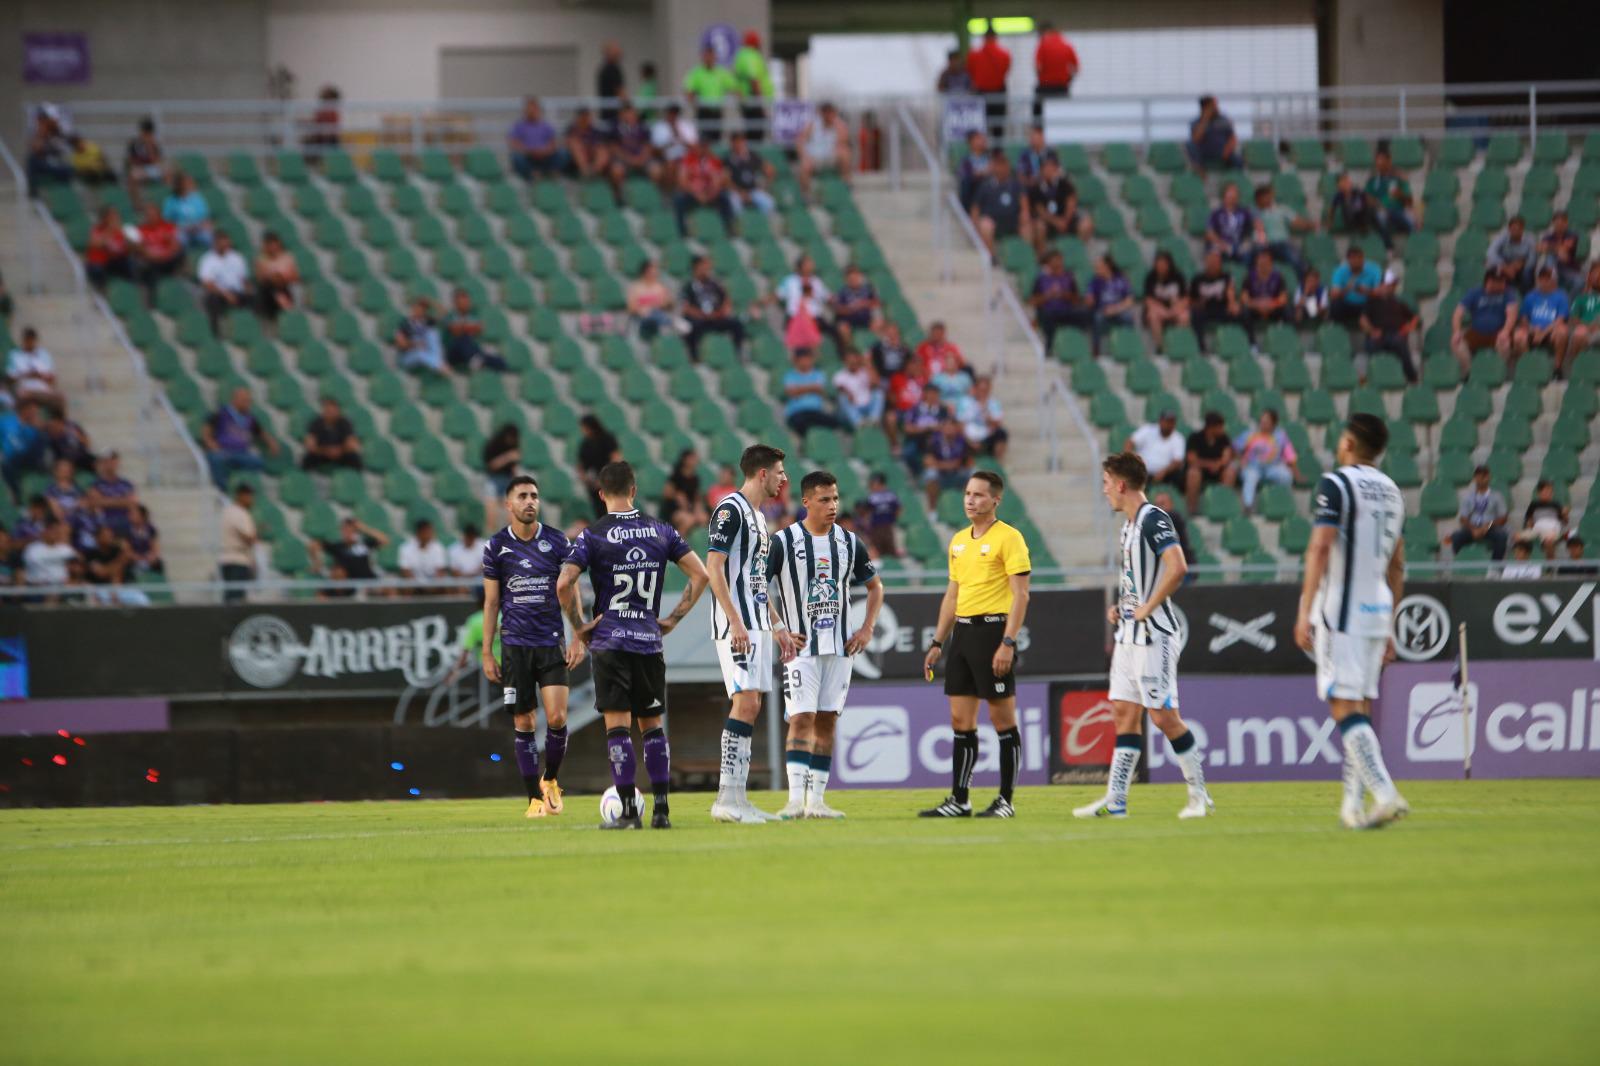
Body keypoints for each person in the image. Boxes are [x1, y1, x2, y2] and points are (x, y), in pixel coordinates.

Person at [559, 461, 710, 829]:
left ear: (600, 494)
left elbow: (564, 584)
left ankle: (628, 812)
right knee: (653, 727)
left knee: (618, 729)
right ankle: (661, 810)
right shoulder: (661, 530)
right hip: (648, 641)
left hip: (610, 641)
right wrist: (672, 619)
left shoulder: (592, 535)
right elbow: (701, 575)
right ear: (634, 490)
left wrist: (579, 628)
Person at [1074, 452, 1210, 820]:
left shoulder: (1153, 518)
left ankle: (1199, 796)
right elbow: (1138, 579)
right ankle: (1116, 800)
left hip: (1155, 635)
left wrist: (1148, 607)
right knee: (1122, 712)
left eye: (1105, 484)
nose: (1104, 491)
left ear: (1120, 484)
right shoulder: (1128, 525)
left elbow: (1178, 566)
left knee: (1164, 717)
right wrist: (1124, 606)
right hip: (1128, 635)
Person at [1293, 413, 1410, 830]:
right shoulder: (1394, 492)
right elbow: (1397, 564)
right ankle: (1351, 804)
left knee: (1343, 706)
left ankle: (1386, 793)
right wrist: (1391, 624)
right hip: (1377, 608)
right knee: (1357, 705)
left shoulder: (1336, 483)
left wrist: (1305, 607)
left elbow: (1320, 547)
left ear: (1347, 442)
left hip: (1342, 607)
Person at [768, 471, 884, 819]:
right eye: (824, 499)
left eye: (835, 498)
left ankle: (816, 802)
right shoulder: (783, 541)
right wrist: (779, 628)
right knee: (801, 719)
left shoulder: (850, 542)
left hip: (840, 648)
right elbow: (757, 586)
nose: (833, 505)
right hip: (800, 649)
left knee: (828, 721)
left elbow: (876, 587)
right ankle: (793, 801)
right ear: (806, 502)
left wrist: (867, 628)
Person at [919, 470, 1032, 818]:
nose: (970, 500)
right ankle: (960, 799)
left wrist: (1008, 642)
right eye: (968, 493)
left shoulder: (1009, 538)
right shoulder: (958, 541)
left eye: (979, 495)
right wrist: (938, 641)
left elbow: (1021, 595)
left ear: (996, 500)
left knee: (1002, 719)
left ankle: (1006, 800)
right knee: (959, 720)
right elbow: (952, 596)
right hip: (963, 636)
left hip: (993, 633)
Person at [481, 476, 574, 818]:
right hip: (515, 646)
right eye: (522, 496)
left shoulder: (557, 541)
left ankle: (550, 779)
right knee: (523, 721)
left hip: (550, 642)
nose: (530, 501)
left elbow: (571, 589)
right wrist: (487, 651)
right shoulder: (495, 547)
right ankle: (533, 799)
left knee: (557, 716)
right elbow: (492, 603)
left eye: (534, 495)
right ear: (509, 505)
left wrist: (578, 634)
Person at [705, 444, 788, 823]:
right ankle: (727, 798)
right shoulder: (730, 509)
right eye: (780, 472)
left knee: (751, 705)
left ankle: (737, 798)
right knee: (745, 702)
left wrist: (776, 623)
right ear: (762, 474)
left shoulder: (758, 516)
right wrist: (735, 621)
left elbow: (755, 580)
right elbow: (714, 568)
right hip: (737, 625)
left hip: (756, 622)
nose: (784, 479)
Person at [202, 387, 277, 491]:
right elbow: (206, 430)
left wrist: (271, 442)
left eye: (249, 401)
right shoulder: (221, 413)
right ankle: (223, 489)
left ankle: (242, 485)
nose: (248, 403)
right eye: (245, 401)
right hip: (224, 451)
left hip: (242, 453)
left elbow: (260, 432)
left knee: (257, 462)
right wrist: (211, 443)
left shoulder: (250, 418)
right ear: (235, 400)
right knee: (216, 459)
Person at [1450, 269, 1518, 376]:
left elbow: (1512, 314)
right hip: (1476, 332)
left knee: (1505, 343)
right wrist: (1456, 331)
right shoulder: (1474, 293)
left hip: (1497, 333)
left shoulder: (1508, 294)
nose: (1503, 284)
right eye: (1500, 282)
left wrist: (1505, 331)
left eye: (1503, 281)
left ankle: (1498, 372)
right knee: (1457, 344)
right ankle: (1469, 374)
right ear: (1489, 282)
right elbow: (1458, 313)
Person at [679, 254, 745, 362]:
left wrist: (721, 312)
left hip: (715, 317)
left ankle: (738, 354)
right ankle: (694, 358)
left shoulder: (714, 284)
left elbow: (726, 300)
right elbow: (686, 307)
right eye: (704, 266)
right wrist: (702, 315)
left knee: (736, 324)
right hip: (699, 318)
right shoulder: (688, 286)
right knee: (691, 327)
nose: (707, 269)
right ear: (696, 267)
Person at [1233, 408, 1299, 511]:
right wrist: (1241, 460)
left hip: (1272, 466)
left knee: (1286, 476)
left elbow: (1290, 456)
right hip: (1252, 466)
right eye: (1262, 421)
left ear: (1274, 423)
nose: (1263, 424)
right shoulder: (1250, 434)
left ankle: (1282, 503)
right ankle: (1248, 505)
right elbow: (1235, 448)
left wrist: (1296, 473)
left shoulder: (1280, 436)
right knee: (1251, 477)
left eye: (1266, 422)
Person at [970, 150, 1029, 262]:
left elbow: (1024, 203)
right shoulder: (985, 185)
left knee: (1028, 227)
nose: (1001, 168)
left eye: (1004, 164)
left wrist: (1025, 214)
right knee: (985, 225)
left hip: (1013, 221)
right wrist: (975, 224)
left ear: (1008, 166)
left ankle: (1024, 258)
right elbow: (975, 208)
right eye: (998, 165)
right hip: (993, 221)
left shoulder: (1016, 184)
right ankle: (993, 258)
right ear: (994, 167)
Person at [308, 516, 387, 594]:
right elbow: (313, 545)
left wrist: (364, 528)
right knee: (338, 573)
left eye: (351, 530)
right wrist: (317, 563)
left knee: (389, 586)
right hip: (348, 585)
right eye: (345, 530)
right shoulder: (338, 547)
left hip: (369, 581)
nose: (347, 533)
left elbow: (384, 540)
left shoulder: (365, 544)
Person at [1028, 151, 1089, 252]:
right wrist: (1056, 222)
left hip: (1065, 218)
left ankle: (1077, 252)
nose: (1049, 169)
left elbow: (1071, 203)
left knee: (1086, 223)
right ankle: (1042, 256)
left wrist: (1065, 220)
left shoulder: (1064, 183)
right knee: (1039, 226)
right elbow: (1040, 210)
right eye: (1045, 166)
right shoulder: (1036, 187)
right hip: (1048, 221)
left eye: (1051, 166)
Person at [673, 140, 736, 238]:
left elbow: (718, 181)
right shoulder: (688, 160)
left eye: (704, 147)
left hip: (709, 194)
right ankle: (682, 232)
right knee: (679, 200)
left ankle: (729, 229)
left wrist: (711, 193)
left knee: (725, 198)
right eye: (700, 146)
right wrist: (696, 194)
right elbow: (682, 181)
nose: (702, 149)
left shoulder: (713, 161)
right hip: (693, 194)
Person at [1512, 265, 1570, 368]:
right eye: (1541, 278)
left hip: (1551, 330)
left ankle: (1557, 367)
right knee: (1519, 335)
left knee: (1562, 331)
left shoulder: (1561, 296)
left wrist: (1544, 332)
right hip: (1533, 329)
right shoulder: (1530, 296)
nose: (1544, 281)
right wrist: (1532, 329)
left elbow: (1560, 320)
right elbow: (1524, 319)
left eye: (1547, 278)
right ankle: (1529, 366)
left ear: (1554, 280)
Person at [1359, 290, 1421, 383]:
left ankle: (1412, 378)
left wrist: (1407, 328)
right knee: (1372, 346)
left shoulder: (1398, 303)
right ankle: (1374, 378)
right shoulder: (1371, 303)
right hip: (1377, 336)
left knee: (1400, 344)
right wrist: (1372, 331)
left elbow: (1415, 318)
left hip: (1395, 335)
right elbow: (1362, 320)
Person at [1450, 465, 1509, 561]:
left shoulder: (1496, 496)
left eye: (1483, 477)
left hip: (1490, 528)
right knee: (1456, 537)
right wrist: (1473, 529)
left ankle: (1494, 568)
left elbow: (1504, 518)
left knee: (1501, 537)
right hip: (1472, 527)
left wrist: (1487, 526)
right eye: (1477, 477)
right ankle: (1463, 563)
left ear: (1488, 478)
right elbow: (1463, 518)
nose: (1480, 480)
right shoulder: (1468, 497)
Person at [197, 230, 250, 337]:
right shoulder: (208, 259)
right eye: (222, 243)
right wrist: (226, 295)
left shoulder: (237, 258)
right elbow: (207, 283)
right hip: (219, 293)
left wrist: (247, 290)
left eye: (227, 243)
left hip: (236, 292)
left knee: (254, 297)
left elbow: (244, 280)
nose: (225, 246)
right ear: (215, 243)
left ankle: (250, 331)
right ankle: (216, 333)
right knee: (212, 300)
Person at [440, 288, 506, 372]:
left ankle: (477, 361)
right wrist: (469, 327)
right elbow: (455, 330)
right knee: (463, 339)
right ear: (456, 303)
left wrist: (463, 327)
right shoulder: (449, 316)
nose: (467, 304)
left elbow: (480, 328)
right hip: (453, 353)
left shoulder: (473, 315)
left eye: (467, 301)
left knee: (500, 361)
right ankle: (475, 361)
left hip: (473, 351)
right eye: (463, 302)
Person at [783, 349, 845, 437]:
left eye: (808, 359)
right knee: (800, 423)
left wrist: (800, 389)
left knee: (834, 422)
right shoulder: (790, 375)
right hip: (797, 412)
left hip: (815, 411)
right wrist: (811, 388)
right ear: (797, 361)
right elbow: (791, 392)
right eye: (803, 360)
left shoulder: (818, 374)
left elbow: (820, 390)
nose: (805, 362)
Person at [1184, 411, 1237, 514]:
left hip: (1218, 471)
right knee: (1193, 473)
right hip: (1200, 470)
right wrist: (1211, 464)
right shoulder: (1195, 437)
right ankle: (1192, 509)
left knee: (1230, 472)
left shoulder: (1224, 438)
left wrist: (1218, 464)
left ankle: (1222, 507)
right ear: (1211, 427)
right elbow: (1192, 459)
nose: (1222, 429)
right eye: (1220, 426)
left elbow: (1226, 457)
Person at [1253, 184, 1312, 274]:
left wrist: (1311, 224)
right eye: (1263, 197)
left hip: (1282, 243)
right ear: (1258, 199)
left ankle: (1305, 281)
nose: (1267, 199)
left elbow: (1296, 221)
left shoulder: (1282, 209)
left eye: (1268, 196)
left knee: (1296, 260)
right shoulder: (1255, 212)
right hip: (1266, 245)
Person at [683, 45, 739, 142]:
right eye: (706, 56)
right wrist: (691, 96)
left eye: (711, 55)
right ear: (703, 57)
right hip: (703, 112)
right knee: (703, 140)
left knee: (716, 139)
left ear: (715, 57)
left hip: (716, 113)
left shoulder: (721, 72)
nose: (709, 58)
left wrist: (740, 95)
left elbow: (734, 87)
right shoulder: (696, 72)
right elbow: (689, 90)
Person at [797, 102, 852, 199]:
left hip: (831, 156)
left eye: (831, 113)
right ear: (822, 113)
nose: (829, 115)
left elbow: (844, 141)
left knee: (845, 153)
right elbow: (800, 141)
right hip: (814, 157)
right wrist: (804, 155)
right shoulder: (812, 125)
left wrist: (836, 125)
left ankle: (846, 185)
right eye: (826, 113)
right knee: (805, 165)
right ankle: (806, 195)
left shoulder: (839, 125)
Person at [922, 415, 975, 514]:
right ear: (942, 428)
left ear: (956, 428)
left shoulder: (962, 440)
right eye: (946, 427)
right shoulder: (934, 441)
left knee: (975, 474)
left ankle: (971, 509)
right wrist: (946, 465)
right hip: (940, 473)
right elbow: (928, 461)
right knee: (930, 474)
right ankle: (932, 511)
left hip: (957, 473)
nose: (949, 429)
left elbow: (969, 461)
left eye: (952, 427)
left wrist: (953, 464)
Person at [1363, 148, 1415, 249]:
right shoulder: (1373, 180)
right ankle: (1389, 248)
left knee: (1411, 223)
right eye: (1377, 160)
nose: (1378, 163)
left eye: (1381, 160)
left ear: (1389, 161)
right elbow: (1367, 198)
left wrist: (1400, 195)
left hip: (1398, 211)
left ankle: (1413, 248)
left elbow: (1409, 201)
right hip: (1380, 211)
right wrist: (1375, 203)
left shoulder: (1399, 177)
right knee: (1380, 216)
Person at [605, 103, 659, 200]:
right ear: (622, 115)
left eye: (632, 113)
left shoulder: (642, 127)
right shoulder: (616, 128)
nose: (630, 116)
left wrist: (641, 159)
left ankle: (648, 196)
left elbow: (648, 146)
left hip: (641, 159)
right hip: (624, 159)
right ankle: (620, 197)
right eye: (628, 113)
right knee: (616, 170)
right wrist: (629, 159)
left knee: (656, 170)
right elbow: (614, 148)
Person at [966, 26, 1012, 140]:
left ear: (984, 38)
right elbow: (1005, 70)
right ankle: (997, 151)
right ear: (995, 37)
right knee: (998, 127)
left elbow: (970, 71)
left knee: (981, 127)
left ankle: (982, 149)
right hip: (998, 93)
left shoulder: (974, 55)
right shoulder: (1004, 54)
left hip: (980, 94)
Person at [7, 328, 66, 414]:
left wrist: (40, 376)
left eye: (32, 341)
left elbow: (52, 379)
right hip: (24, 391)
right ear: (24, 340)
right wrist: (27, 375)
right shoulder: (15, 355)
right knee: (25, 397)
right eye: (28, 340)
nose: (30, 343)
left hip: (43, 392)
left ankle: (59, 425)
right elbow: (9, 378)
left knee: (61, 398)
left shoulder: (44, 355)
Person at [1141, 251, 1190, 353]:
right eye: (1158, 264)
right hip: (1158, 309)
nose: (1160, 266)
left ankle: (1176, 346)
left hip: (1175, 308)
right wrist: (1164, 311)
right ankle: (1161, 348)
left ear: (1169, 264)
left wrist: (1175, 309)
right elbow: (1148, 300)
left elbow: (1186, 299)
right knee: (1153, 316)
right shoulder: (1151, 277)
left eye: (1163, 264)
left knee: (1185, 316)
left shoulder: (1178, 277)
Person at [1125, 410, 1186, 491]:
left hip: (1166, 474)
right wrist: (1132, 459)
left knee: (1180, 476)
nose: (1168, 425)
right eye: (1166, 421)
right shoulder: (1148, 429)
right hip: (1143, 471)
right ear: (1160, 421)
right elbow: (1130, 442)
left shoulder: (1178, 438)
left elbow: (1177, 461)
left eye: (1171, 422)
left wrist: (1164, 472)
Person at [134, 201, 185, 296]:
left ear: (159, 214)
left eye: (153, 214)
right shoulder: (140, 230)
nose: (151, 217)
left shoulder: (168, 226)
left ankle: (182, 283)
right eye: (148, 215)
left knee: (181, 253)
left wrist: (164, 255)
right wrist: (155, 256)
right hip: (151, 262)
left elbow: (175, 245)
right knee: (143, 265)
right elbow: (141, 250)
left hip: (168, 259)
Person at [1087, 254, 1135, 354]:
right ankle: (1096, 350)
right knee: (1097, 318)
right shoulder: (1095, 281)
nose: (1096, 269)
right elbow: (1090, 299)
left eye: (1099, 266)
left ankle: (1127, 347)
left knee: (1128, 317)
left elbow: (1129, 300)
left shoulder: (1121, 280)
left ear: (1107, 266)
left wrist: (1116, 309)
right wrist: (1090, 300)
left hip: (1118, 310)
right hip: (1103, 311)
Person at [507, 98, 565, 181]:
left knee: (562, 154)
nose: (531, 112)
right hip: (528, 157)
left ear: (538, 110)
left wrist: (545, 151)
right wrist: (530, 151)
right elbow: (514, 143)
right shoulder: (519, 126)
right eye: (529, 109)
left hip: (545, 156)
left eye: (533, 109)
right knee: (517, 157)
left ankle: (550, 174)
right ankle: (532, 174)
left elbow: (553, 143)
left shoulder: (546, 126)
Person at [1188, 251, 1240, 342]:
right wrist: (1198, 303)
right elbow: (1191, 300)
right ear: (1206, 263)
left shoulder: (1226, 277)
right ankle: (1201, 347)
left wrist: (1232, 303)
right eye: (1211, 262)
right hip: (1205, 309)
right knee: (1195, 315)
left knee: (1240, 313)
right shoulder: (1198, 279)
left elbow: (1231, 292)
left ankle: (1242, 344)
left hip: (1222, 308)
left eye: (1216, 262)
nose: (1213, 265)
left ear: (1220, 264)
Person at [576, 414, 621, 517]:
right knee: (598, 512)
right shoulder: (585, 444)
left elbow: (615, 458)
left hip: (609, 482)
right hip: (593, 484)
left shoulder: (607, 438)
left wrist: (606, 479)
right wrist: (584, 478)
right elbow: (581, 464)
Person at [1241, 249, 1289, 346]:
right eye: (1260, 262)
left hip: (1272, 308)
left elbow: (1283, 299)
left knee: (1287, 312)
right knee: (1245, 313)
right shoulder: (1249, 277)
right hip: (1255, 308)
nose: (1262, 265)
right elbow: (1244, 298)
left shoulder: (1278, 277)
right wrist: (1258, 305)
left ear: (1271, 264)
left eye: (1265, 262)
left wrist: (1270, 305)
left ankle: (1283, 342)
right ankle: (1252, 344)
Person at [219, 482, 257, 602]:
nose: (251, 499)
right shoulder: (238, 512)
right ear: (241, 495)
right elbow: (249, 538)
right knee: (234, 598)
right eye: (249, 496)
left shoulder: (229, 511)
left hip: (230, 558)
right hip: (236, 559)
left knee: (235, 596)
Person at [301, 397, 362, 472]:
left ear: (338, 411)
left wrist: (339, 450)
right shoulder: (316, 423)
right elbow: (309, 445)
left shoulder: (345, 423)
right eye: (327, 410)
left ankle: (355, 480)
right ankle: (303, 479)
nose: (330, 413)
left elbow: (352, 444)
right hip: (322, 453)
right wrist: (326, 451)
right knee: (307, 459)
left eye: (333, 410)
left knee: (355, 458)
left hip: (341, 453)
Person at [732, 30, 774, 141]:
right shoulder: (750, 55)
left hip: (750, 101)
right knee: (755, 134)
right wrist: (761, 103)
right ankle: (752, 156)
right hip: (753, 101)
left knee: (753, 132)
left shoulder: (742, 56)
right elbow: (754, 79)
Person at [1033, 21, 1079, 119]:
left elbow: (1037, 67)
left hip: (1045, 87)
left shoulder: (1042, 45)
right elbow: (1076, 68)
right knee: (1062, 116)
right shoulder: (1067, 45)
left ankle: (1038, 132)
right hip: (1062, 88)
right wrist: (1067, 80)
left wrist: (1042, 78)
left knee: (1038, 117)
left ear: (1045, 32)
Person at [1328, 245, 1383, 326]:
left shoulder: (1374, 269)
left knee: (1379, 304)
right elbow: (1333, 295)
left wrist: (1366, 291)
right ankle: (1338, 329)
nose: (1356, 261)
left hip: (1366, 304)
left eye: (1359, 258)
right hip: (1347, 304)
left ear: (1363, 258)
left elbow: (1379, 293)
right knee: (1335, 305)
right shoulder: (1340, 271)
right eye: (1353, 258)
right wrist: (1346, 289)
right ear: (1348, 260)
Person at [723, 131, 776, 216]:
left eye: (740, 141)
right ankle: (741, 226)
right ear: (732, 143)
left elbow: (770, 170)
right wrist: (740, 192)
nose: (738, 144)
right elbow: (726, 180)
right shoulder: (728, 159)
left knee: (768, 202)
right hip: (737, 192)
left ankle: (766, 225)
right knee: (734, 203)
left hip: (753, 190)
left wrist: (764, 186)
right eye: (736, 142)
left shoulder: (752, 156)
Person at [85, 452, 138, 535]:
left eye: (113, 461)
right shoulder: (95, 484)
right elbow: (95, 502)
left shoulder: (126, 484)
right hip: (105, 523)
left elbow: (132, 502)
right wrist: (122, 501)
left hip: (124, 522)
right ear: (103, 463)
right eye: (108, 461)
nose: (111, 464)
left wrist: (105, 500)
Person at [660, 449, 710, 535]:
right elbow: (666, 493)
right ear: (685, 460)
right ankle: (677, 545)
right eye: (692, 458)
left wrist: (698, 509)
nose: (695, 460)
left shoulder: (695, 478)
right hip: (674, 509)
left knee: (704, 518)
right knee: (688, 520)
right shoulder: (676, 476)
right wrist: (677, 496)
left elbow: (696, 498)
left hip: (689, 509)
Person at [956, 376, 1007, 459]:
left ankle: (997, 462)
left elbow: (997, 423)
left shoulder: (994, 403)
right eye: (981, 389)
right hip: (967, 436)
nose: (983, 392)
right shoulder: (965, 402)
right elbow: (960, 423)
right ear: (975, 389)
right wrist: (969, 440)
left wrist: (986, 414)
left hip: (986, 435)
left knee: (1002, 433)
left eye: (985, 390)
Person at [832, 349, 884, 430]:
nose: (852, 362)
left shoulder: (865, 372)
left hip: (866, 406)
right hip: (851, 410)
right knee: (842, 397)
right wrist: (848, 393)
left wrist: (867, 364)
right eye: (849, 360)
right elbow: (840, 388)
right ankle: (858, 422)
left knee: (878, 393)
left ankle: (874, 419)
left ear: (858, 359)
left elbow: (876, 383)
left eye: (854, 359)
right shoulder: (840, 375)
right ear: (845, 361)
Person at [1186, 95, 1241, 171]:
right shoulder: (1196, 122)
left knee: (1237, 160)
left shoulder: (1223, 120)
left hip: (1222, 152)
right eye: (1213, 105)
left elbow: (1232, 138)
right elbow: (1195, 139)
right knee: (1190, 145)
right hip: (1204, 154)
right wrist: (1205, 119)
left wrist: (1227, 150)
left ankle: (1235, 180)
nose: (1217, 107)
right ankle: (1200, 172)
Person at [253, 231, 299, 322]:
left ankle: (280, 300)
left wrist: (282, 278)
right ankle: (282, 302)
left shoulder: (287, 257)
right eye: (269, 245)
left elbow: (295, 277)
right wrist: (273, 277)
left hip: (285, 286)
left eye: (274, 244)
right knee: (268, 287)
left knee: (277, 287)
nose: (272, 247)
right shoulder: (261, 259)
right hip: (268, 290)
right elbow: (260, 278)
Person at [23, 519, 76, 595]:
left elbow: (77, 564)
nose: (53, 534)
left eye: (56, 532)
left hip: (62, 586)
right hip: (37, 587)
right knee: (52, 591)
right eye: (51, 531)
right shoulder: (32, 549)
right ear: (44, 532)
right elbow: (30, 569)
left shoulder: (66, 549)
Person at [831, 264, 880, 347]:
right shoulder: (842, 292)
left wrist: (865, 303)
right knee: (843, 328)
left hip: (866, 319)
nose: (854, 281)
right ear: (846, 279)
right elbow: (838, 309)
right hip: (849, 320)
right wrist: (851, 309)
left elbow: (877, 302)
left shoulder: (867, 289)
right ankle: (850, 349)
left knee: (878, 323)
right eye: (851, 279)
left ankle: (875, 348)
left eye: (856, 278)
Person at [1206, 182, 1255, 264]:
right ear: (1224, 196)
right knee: (1213, 252)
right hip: (1222, 245)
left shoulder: (1245, 213)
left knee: (1251, 254)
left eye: (1235, 193)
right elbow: (1209, 233)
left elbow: (1249, 231)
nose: (1233, 196)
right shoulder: (1216, 213)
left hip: (1239, 246)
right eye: (1230, 193)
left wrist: (1246, 243)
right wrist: (1221, 244)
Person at [626, 259, 675, 341]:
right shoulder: (636, 287)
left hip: (657, 316)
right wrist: (642, 310)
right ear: (645, 272)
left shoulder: (660, 287)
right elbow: (631, 308)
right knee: (654, 316)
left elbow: (669, 304)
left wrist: (661, 304)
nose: (655, 274)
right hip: (641, 318)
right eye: (652, 271)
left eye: (656, 271)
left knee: (658, 315)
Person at [394, 296, 444, 374]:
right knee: (419, 353)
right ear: (413, 308)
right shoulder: (405, 324)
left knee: (433, 333)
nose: (419, 311)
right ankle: (439, 365)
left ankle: (438, 363)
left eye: (422, 309)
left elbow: (443, 312)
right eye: (417, 308)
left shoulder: (426, 321)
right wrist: (415, 344)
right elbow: (400, 344)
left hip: (426, 353)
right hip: (408, 356)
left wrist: (430, 301)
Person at [1521, 479, 1569, 561]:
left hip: (1552, 530)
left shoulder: (1556, 504)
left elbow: (1564, 522)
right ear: (1539, 493)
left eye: (1550, 492)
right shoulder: (1534, 505)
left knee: (1549, 542)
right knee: (1518, 539)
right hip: (1537, 529)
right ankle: (1522, 567)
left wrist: (1564, 514)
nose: (1549, 494)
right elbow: (1528, 520)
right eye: (1546, 491)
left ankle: (1550, 567)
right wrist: (1530, 525)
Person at [1566, 263, 1600, 371]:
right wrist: (1588, 326)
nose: (1598, 277)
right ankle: (1576, 370)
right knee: (1579, 332)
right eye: (1596, 274)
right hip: (1585, 330)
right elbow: (1573, 319)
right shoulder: (1581, 298)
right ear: (1589, 277)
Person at [397, 518, 447, 591]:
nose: (431, 534)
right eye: (428, 531)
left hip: (433, 585)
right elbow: (405, 571)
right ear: (420, 532)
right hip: (413, 585)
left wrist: (431, 586)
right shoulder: (405, 548)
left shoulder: (438, 547)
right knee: (407, 588)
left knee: (447, 586)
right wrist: (419, 586)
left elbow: (440, 571)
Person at [1537, 210, 1581, 293]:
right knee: (1550, 257)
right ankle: (1552, 279)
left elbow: (1566, 247)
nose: (1559, 225)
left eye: (1562, 222)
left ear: (1566, 223)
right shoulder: (1548, 236)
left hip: (1568, 268)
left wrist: (1550, 247)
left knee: (1579, 282)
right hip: (1552, 268)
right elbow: (1539, 248)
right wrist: (1557, 250)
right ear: (1553, 223)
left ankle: (1568, 301)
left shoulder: (1572, 235)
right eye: (1557, 223)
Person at [1487, 216, 1536, 290]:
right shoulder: (1502, 237)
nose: (1515, 231)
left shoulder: (1530, 238)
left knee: (1528, 271)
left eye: (1518, 229)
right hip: (1505, 264)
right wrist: (1505, 266)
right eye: (1513, 229)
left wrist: (1522, 264)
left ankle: (1525, 295)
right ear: (1509, 229)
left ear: (1523, 229)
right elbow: (1490, 252)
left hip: (1522, 265)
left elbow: (1533, 257)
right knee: (1492, 269)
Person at [649, 103, 698, 174]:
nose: (673, 116)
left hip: (685, 158)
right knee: (666, 166)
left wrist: (679, 136)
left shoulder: (687, 126)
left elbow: (695, 147)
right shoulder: (658, 127)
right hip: (664, 159)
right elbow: (654, 150)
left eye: (675, 113)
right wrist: (668, 143)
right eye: (670, 113)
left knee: (683, 166)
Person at [564, 107, 610, 180]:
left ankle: (594, 171)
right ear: (578, 118)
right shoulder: (571, 130)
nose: (585, 119)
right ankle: (585, 171)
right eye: (583, 116)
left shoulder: (595, 131)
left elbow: (599, 144)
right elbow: (568, 143)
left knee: (602, 150)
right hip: (575, 159)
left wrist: (591, 148)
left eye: (586, 116)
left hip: (592, 156)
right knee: (576, 145)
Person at [124, 118, 166, 195]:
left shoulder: (154, 145)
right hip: (139, 168)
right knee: (132, 177)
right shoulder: (134, 144)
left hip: (151, 168)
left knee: (167, 175)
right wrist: (140, 166)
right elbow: (130, 160)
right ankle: (135, 202)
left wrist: (149, 147)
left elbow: (156, 161)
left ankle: (162, 197)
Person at [863, 473, 901, 558]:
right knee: (877, 549)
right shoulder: (872, 497)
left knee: (890, 548)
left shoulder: (890, 495)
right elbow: (867, 512)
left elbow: (898, 509)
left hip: (887, 526)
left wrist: (893, 519)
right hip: (876, 527)